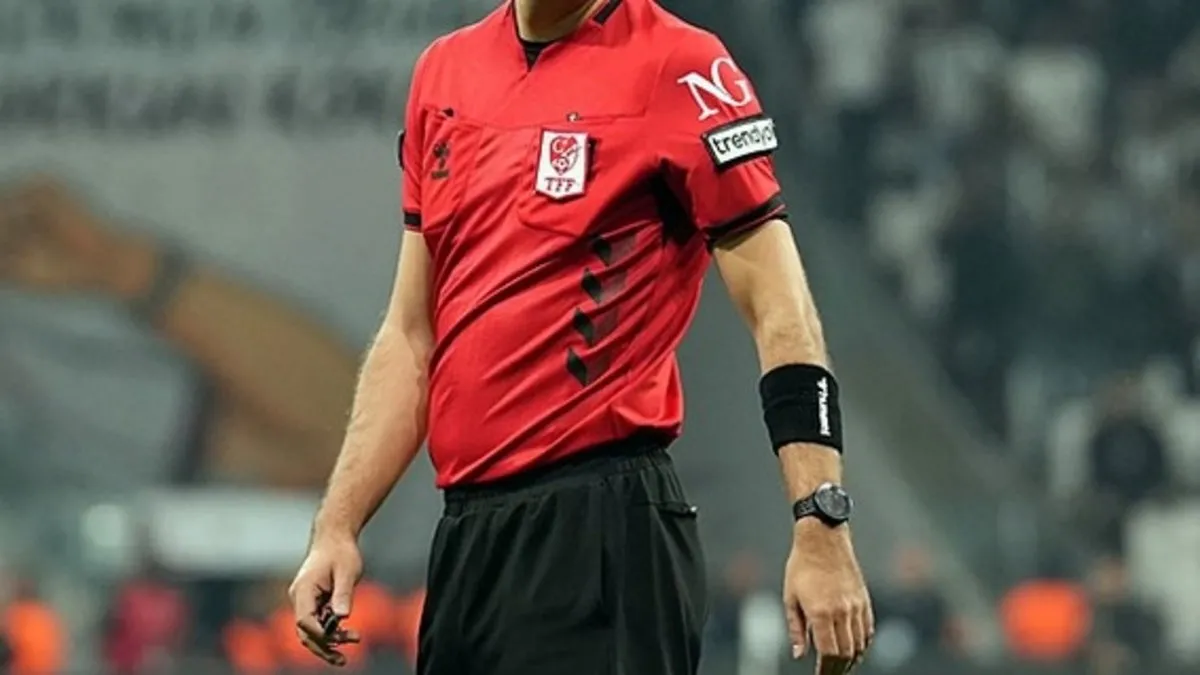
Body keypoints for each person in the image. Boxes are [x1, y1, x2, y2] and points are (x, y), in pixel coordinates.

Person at [288, 1, 874, 674]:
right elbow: (409, 334)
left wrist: (821, 520)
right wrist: (338, 525)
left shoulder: (682, 66)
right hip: (468, 541)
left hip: (602, 532)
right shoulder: (443, 73)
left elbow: (782, 311)